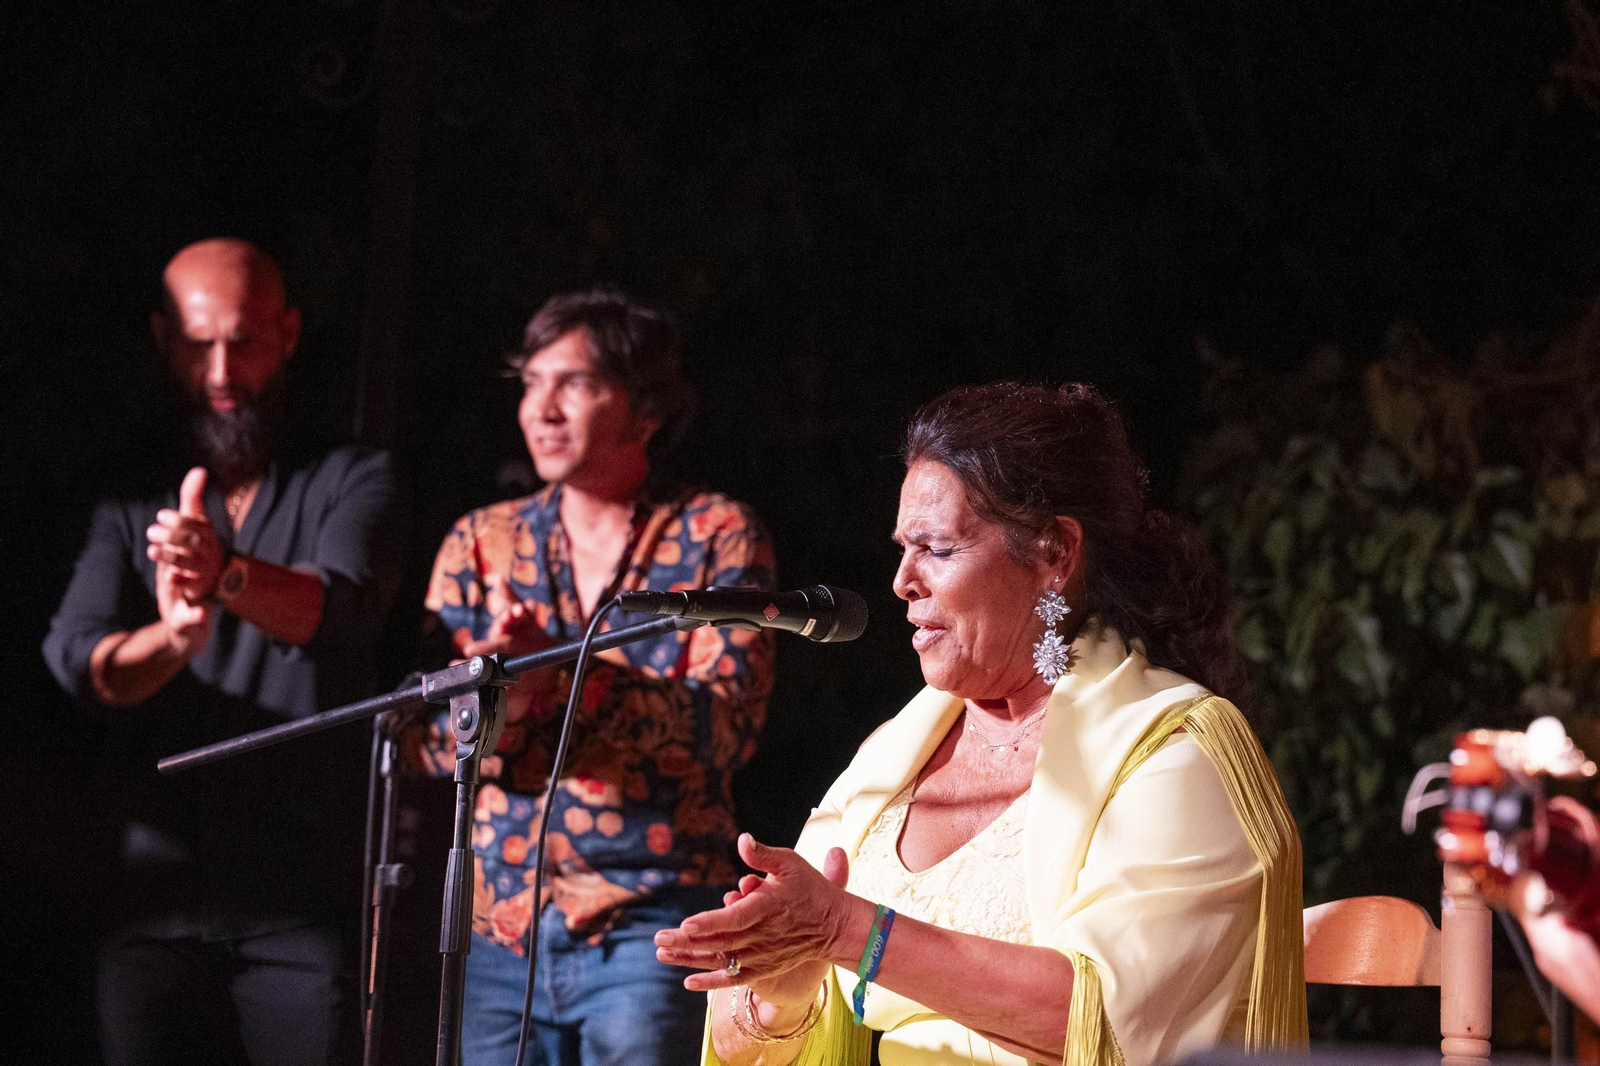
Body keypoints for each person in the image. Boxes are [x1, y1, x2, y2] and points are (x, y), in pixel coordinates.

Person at [654, 382, 1308, 1066]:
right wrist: (782, 1000)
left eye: (935, 549)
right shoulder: (892, 759)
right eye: (903, 550)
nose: (903, 580)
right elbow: (746, 1028)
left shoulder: (1175, 755)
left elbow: (1106, 1025)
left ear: (1054, 555)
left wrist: (851, 932)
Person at [41, 238, 407, 1066]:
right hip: (148, 899)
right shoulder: (126, 488)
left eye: (242, 340)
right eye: (199, 342)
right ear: (164, 340)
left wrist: (228, 575)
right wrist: (174, 638)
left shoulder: (354, 476)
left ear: (287, 332)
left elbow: (345, 611)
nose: (221, 368)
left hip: (302, 902)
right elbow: (81, 662)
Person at [410, 287, 777, 1066]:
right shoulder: (479, 542)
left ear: (645, 412)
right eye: (531, 384)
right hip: (497, 931)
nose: (542, 409)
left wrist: (568, 677)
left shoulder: (715, 535)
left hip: (654, 918)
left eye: (573, 384)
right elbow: (419, 744)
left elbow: (727, 728)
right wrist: (495, 706)